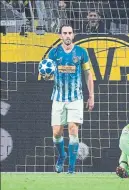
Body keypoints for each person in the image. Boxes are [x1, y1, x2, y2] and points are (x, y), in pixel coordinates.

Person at [47, 24, 94, 174]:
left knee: (73, 130)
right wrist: (46, 73)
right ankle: (62, 155)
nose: (67, 35)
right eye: (64, 33)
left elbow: (88, 74)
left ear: (73, 35)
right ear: (60, 36)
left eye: (70, 33)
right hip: (58, 98)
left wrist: (91, 96)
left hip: (76, 98)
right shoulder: (54, 53)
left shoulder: (81, 52)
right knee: (57, 132)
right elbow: (48, 74)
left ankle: (71, 168)